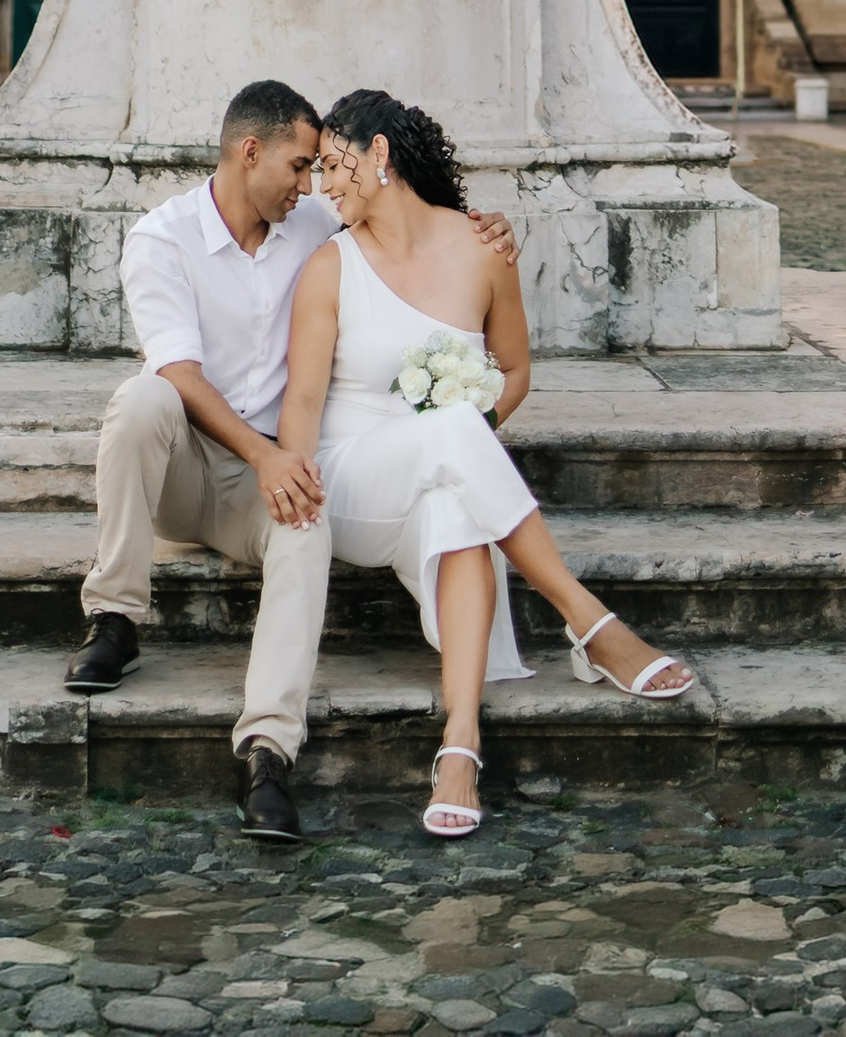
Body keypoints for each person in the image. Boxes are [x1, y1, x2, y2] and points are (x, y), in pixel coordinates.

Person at [66, 76, 518, 841]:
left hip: (261, 484)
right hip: (185, 469)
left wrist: (485, 230)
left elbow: (396, 214)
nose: (311, 184)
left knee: (310, 521)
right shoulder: (161, 237)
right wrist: (267, 455)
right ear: (250, 153)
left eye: (317, 170)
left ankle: (268, 751)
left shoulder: (312, 226)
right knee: (141, 399)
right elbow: (178, 371)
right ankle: (114, 616)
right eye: (300, 166)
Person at [280, 86, 692, 839]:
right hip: (352, 484)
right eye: (315, 172)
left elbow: (515, 373)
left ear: (381, 155)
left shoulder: (481, 248)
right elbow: (303, 402)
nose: (320, 184)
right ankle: (588, 620)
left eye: (334, 165)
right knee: (456, 434)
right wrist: (294, 483)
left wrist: (476, 427)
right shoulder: (329, 267)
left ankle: (460, 743)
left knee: (457, 506)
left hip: (438, 476)